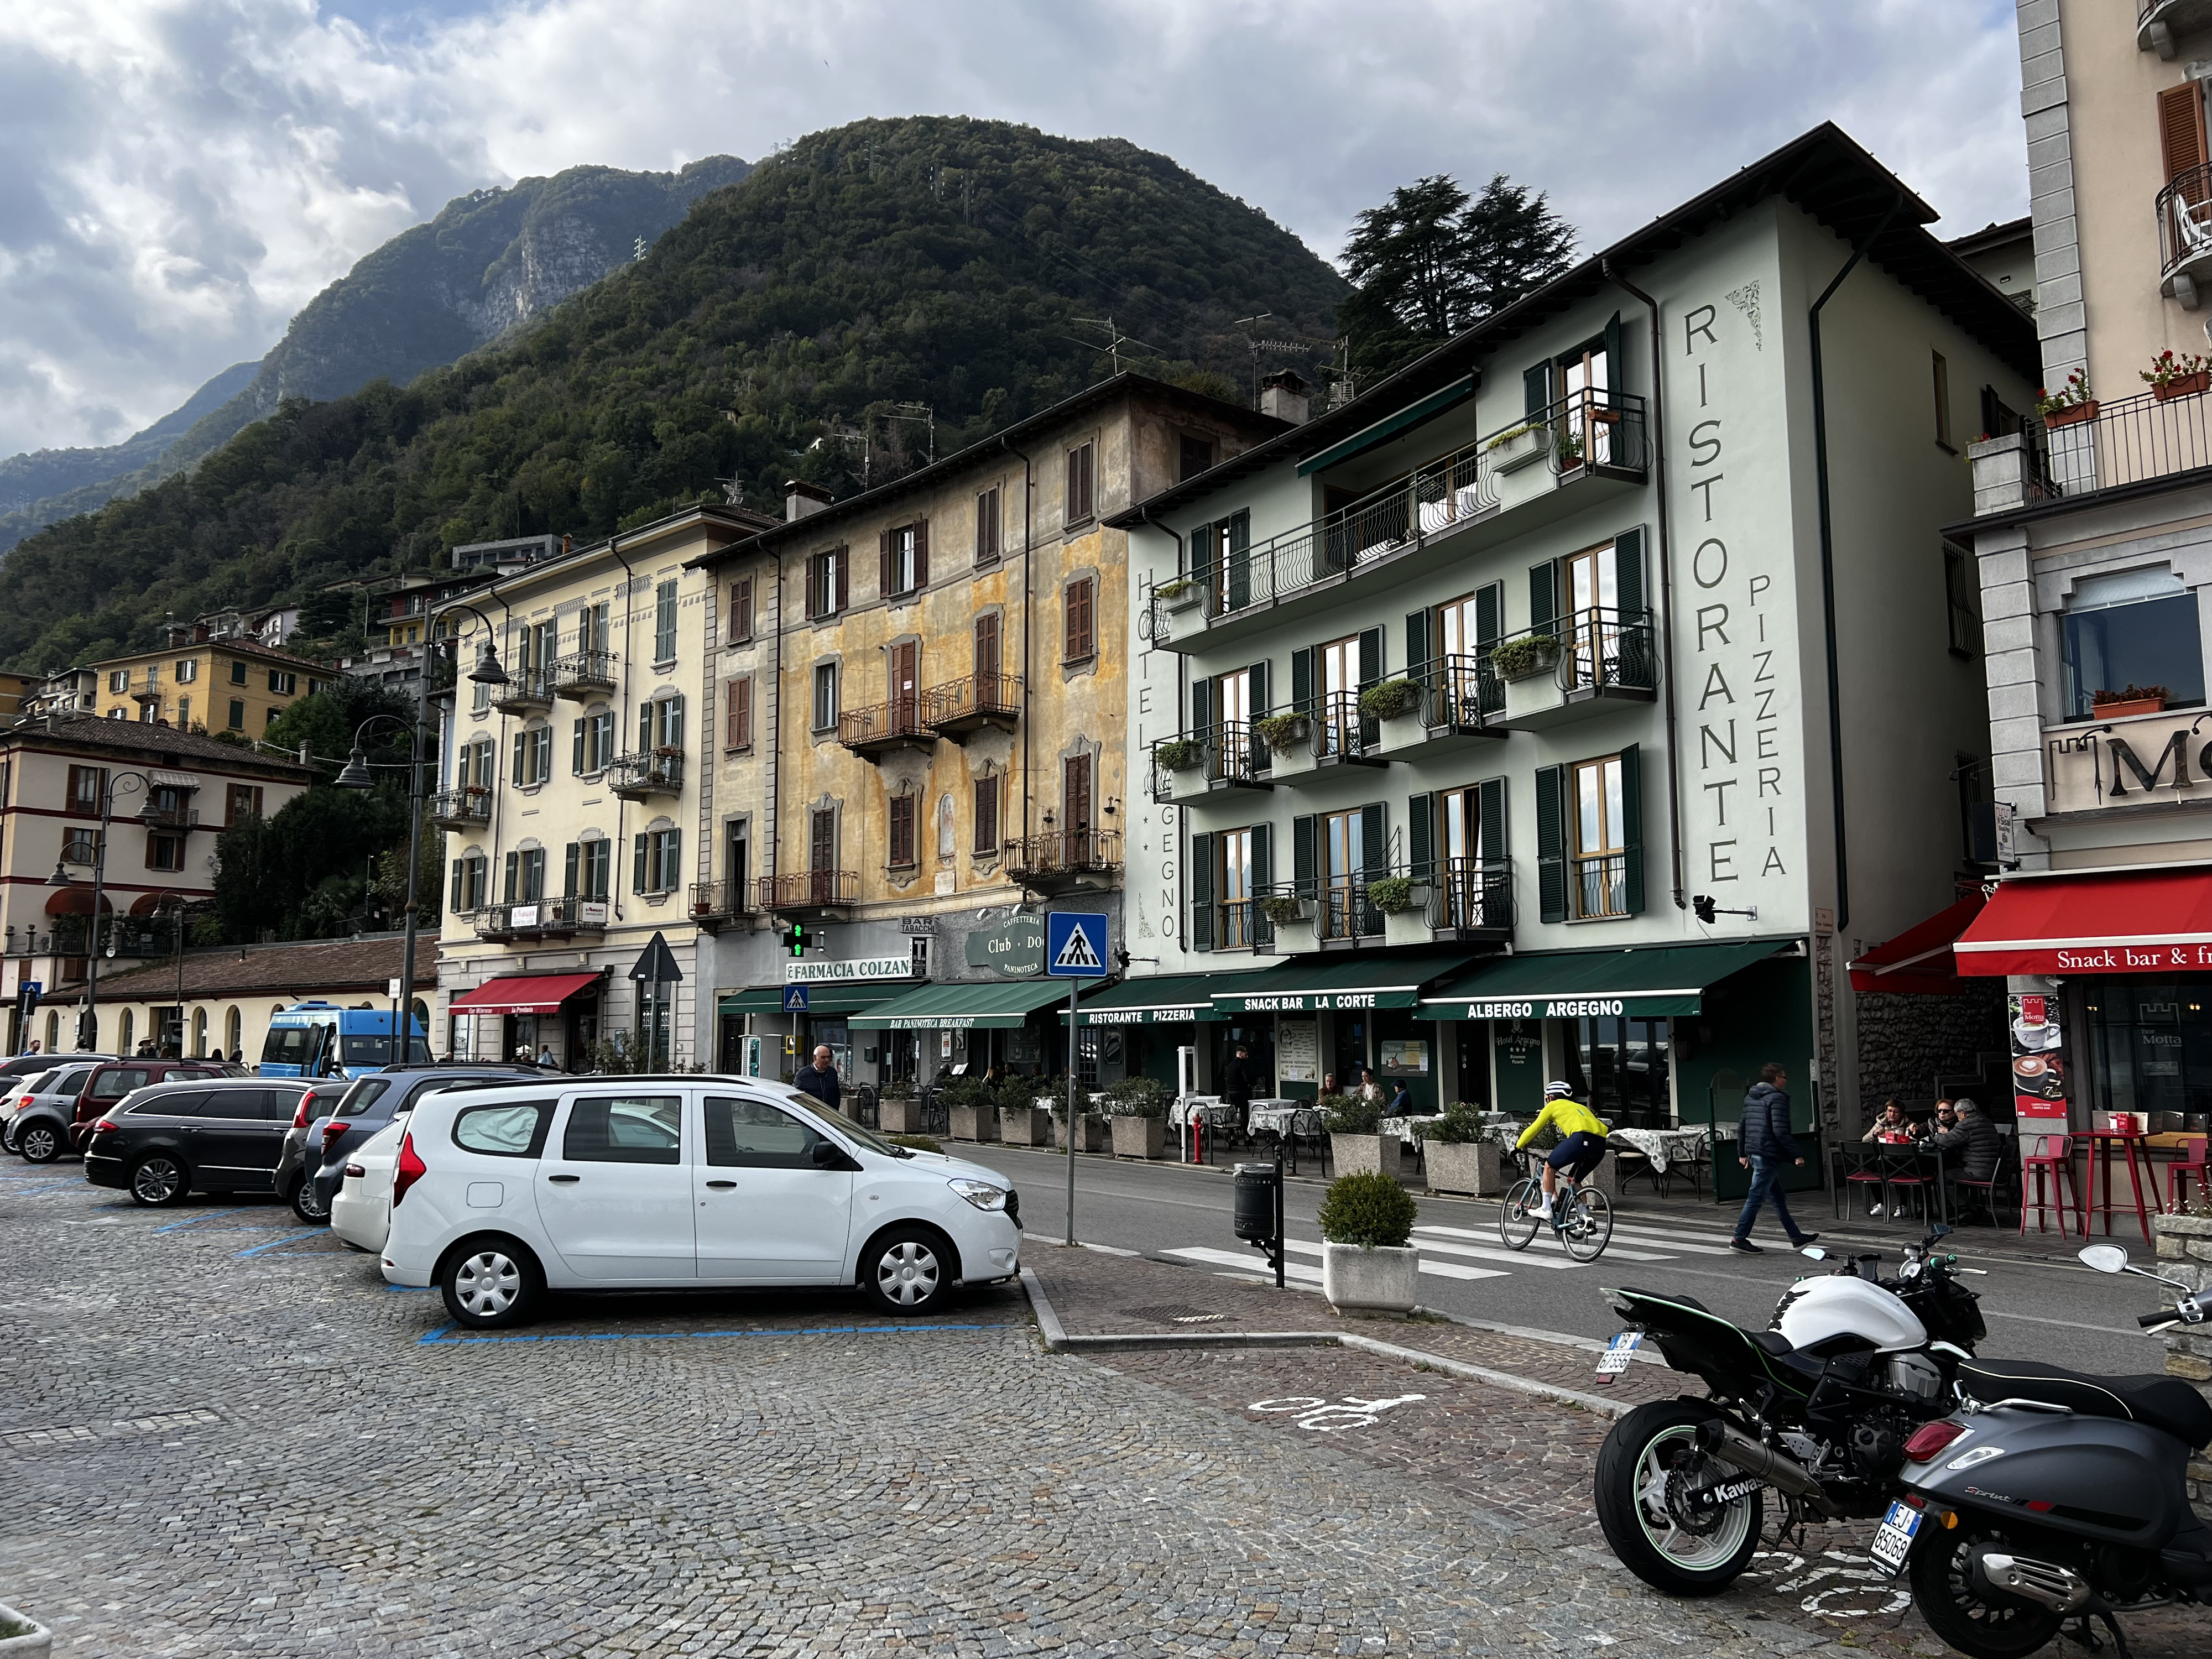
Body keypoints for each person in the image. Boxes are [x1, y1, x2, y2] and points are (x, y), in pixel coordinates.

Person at [1731, 1062, 1818, 1253]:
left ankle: (1796, 1237)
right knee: (1755, 1199)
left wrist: (1742, 1153)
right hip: (1767, 1155)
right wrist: (1796, 1154)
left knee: (1778, 1198)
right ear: (1777, 1079)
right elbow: (1780, 1131)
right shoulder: (1777, 1099)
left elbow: (1742, 1126)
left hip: (1755, 1153)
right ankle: (1739, 1239)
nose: (1786, 1081)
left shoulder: (1752, 1097)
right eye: (1785, 1077)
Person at [1515, 1082, 1610, 1226]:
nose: (1547, 1102)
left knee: (1549, 1166)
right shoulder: (1581, 1108)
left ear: (1551, 1098)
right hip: (1600, 1144)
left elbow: (1534, 1128)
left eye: (1547, 1099)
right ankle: (1584, 1220)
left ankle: (1546, 1208)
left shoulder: (1553, 1106)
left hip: (1581, 1139)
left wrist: (1517, 1146)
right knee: (1575, 1180)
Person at [1219, 1044, 1256, 1133]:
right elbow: (1246, 1078)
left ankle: (1232, 1136)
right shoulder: (1242, 1064)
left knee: (1232, 1115)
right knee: (1244, 1115)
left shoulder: (1230, 1065)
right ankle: (1246, 1136)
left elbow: (1227, 1079)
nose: (1247, 1057)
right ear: (1240, 1054)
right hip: (1242, 1093)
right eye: (1245, 1054)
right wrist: (1252, 1083)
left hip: (1231, 1093)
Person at [794, 1044, 841, 1112]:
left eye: (828, 1057)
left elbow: (836, 1094)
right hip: (811, 1116)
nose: (827, 1060)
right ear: (815, 1058)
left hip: (830, 1115)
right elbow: (796, 1098)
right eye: (823, 1057)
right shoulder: (803, 1075)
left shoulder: (832, 1073)